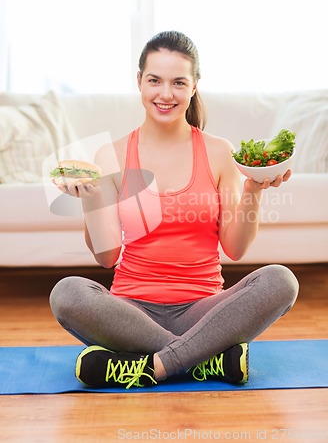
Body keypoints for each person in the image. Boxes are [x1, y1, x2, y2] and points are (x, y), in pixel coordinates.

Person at [50, 31, 299, 389]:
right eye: (155, 81)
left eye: (178, 83)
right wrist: (91, 197)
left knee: (281, 281)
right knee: (67, 293)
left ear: (194, 86)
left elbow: (235, 248)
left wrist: (252, 191)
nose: (165, 94)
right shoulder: (112, 156)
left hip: (206, 311)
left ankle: (147, 365)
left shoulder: (218, 152)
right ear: (139, 82)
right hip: (132, 311)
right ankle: (206, 360)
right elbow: (107, 258)